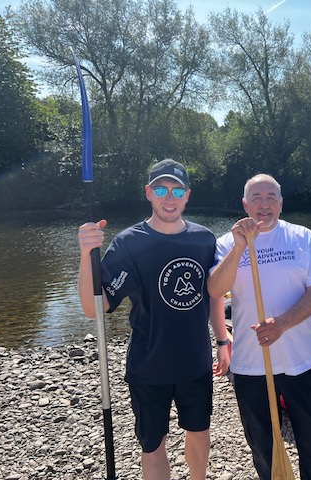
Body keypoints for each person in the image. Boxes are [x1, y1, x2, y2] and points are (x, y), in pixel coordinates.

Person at [77, 158, 230, 480]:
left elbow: (214, 293)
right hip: (149, 364)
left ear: (188, 195)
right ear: (148, 193)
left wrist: (222, 340)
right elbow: (95, 307)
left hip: (195, 361)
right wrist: (84, 253)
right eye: (161, 189)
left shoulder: (203, 240)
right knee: (152, 444)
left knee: (199, 431)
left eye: (177, 190)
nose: (169, 197)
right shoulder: (129, 243)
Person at [207, 174, 311, 480]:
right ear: (244, 203)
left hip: (303, 363)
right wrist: (240, 247)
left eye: (270, 197)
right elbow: (215, 289)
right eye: (256, 197)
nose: (263, 204)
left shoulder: (302, 237)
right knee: (264, 452)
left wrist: (282, 324)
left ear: (280, 203)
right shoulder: (226, 242)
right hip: (252, 367)